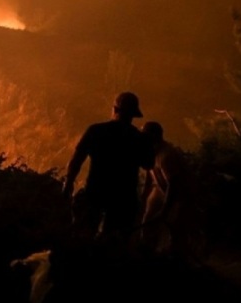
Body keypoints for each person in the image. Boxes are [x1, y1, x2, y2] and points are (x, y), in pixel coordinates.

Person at [62, 92, 154, 244]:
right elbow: (148, 164)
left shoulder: (96, 131)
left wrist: (69, 183)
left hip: (95, 192)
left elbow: (77, 159)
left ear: (115, 109)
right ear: (134, 114)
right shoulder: (139, 138)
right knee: (115, 243)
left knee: (84, 237)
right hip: (124, 197)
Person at [139, 121, 203, 262]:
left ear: (153, 136)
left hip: (180, 195)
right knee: (148, 223)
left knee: (176, 229)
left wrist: (165, 210)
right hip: (161, 191)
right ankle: (149, 254)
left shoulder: (166, 155)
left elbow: (173, 184)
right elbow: (150, 176)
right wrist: (144, 198)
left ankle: (179, 260)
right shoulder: (153, 152)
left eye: (145, 135)